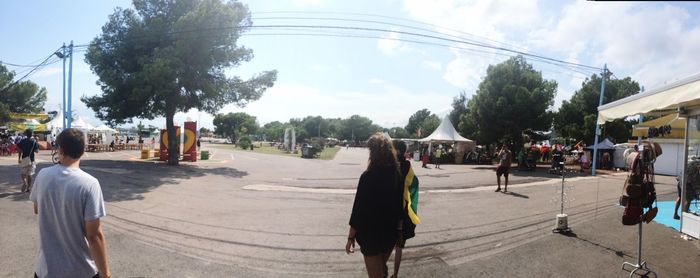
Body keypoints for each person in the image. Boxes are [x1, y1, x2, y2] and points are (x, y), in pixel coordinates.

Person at [29, 128, 111, 278]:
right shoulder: (90, 183)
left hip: (45, 270)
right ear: (83, 150)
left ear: (60, 149)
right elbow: (94, 236)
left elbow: (37, 208)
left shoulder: (43, 175)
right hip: (80, 270)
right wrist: (106, 274)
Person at [346, 133, 403, 278]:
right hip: (389, 234)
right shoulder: (397, 175)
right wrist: (399, 231)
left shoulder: (367, 177)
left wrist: (350, 237)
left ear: (373, 153)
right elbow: (399, 208)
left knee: (375, 275)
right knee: (381, 269)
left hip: (370, 236)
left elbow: (358, 210)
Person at [390, 141, 420, 278]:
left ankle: (387, 271)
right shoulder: (407, 165)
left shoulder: (387, 164)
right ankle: (395, 274)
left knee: (389, 242)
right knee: (398, 245)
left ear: (397, 150)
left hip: (390, 210)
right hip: (401, 211)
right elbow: (413, 182)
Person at [18, 129, 39, 193]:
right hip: (31, 160)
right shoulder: (34, 142)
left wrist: (19, 158)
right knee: (29, 175)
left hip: (24, 159)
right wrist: (37, 142)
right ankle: (28, 188)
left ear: (26, 134)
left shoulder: (22, 141)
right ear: (32, 134)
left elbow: (19, 150)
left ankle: (24, 182)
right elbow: (37, 151)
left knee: (23, 174)